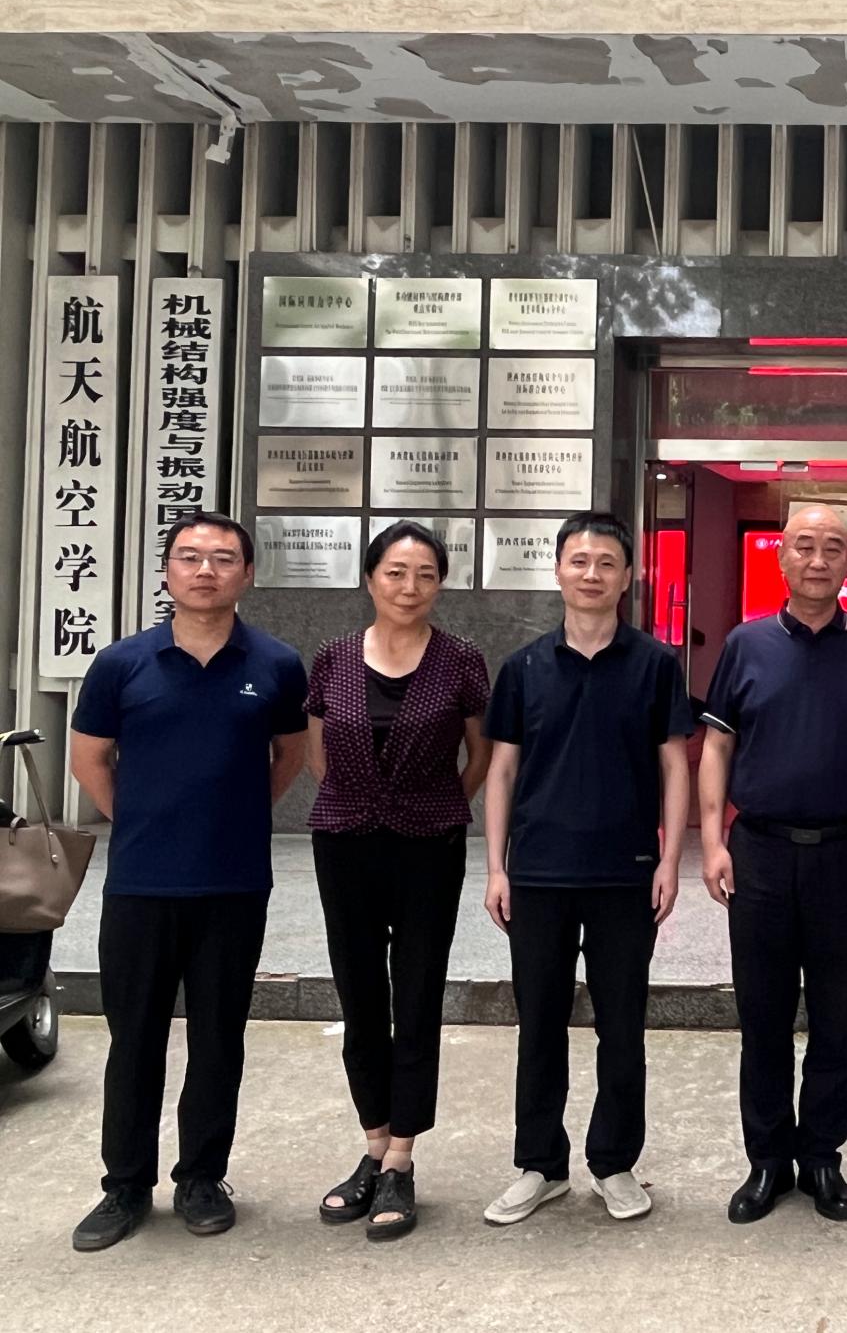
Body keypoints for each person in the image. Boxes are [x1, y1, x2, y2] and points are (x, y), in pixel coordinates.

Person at [67, 512, 308, 1252]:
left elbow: (290, 756)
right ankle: (124, 1185)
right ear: (168, 570)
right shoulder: (121, 664)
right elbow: (89, 759)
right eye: (190, 556)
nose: (206, 570)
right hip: (141, 885)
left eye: (224, 558)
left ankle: (202, 1177)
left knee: (219, 1038)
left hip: (233, 884)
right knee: (133, 1039)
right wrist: (142, 819)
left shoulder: (276, 664)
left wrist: (234, 816)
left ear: (248, 574)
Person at [699, 503, 847, 1225]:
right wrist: (713, 839)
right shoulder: (746, 644)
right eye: (805, 547)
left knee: (835, 1015)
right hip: (759, 852)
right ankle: (767, 1159)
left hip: (845, 854)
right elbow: (718, 746)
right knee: (761, 1015)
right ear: (781, 557)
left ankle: (822, 1155)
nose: (818, 560)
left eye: (833, 548)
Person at [480, 511, 692, 1227]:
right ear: (558, 571)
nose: (592, 573)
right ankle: (540, 1165)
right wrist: (496, 868)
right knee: (538, 1024)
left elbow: (674, 765)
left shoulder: (656, 665)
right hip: (538, 874)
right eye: (579, 560)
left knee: (622, 1026)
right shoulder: (524, 668)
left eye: (607, 562)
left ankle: (615, 1163)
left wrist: (670, 859)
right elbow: (501, 772)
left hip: (625, 874)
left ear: (628, 577)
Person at [304, 521, 492, 1240]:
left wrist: (438, 804)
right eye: (395, 572)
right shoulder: (333, 657)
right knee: (359, 996)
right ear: (370, 578)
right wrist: (362, 801)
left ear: (440, 584)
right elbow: (319, 754)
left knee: (416, 996)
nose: (409, 587)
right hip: (345, 843)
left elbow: (480, 754)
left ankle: (403, 1159)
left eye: (425, 575)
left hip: (428, 846)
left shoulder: (461, 659)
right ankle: (373, 1143)